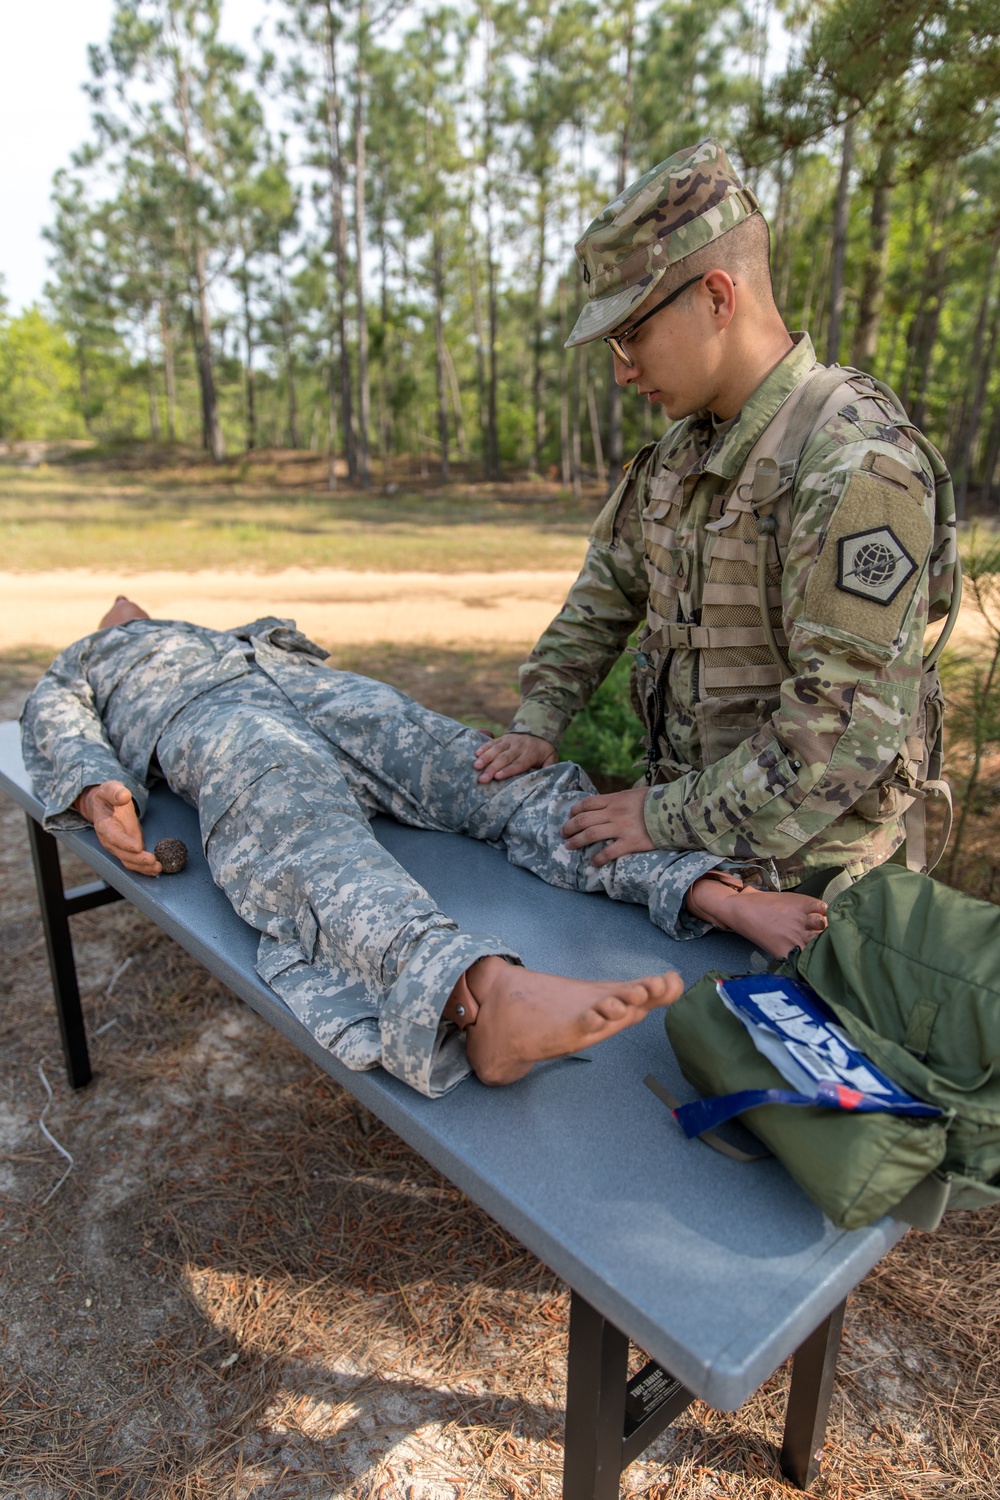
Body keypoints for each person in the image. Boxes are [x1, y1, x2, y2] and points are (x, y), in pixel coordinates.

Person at [21, 598, 828, 1098]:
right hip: (223, 726)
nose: (126, 606)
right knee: (303, 840)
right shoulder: (89, 659)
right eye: (116, 609)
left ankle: (711, 891)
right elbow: (54, 718)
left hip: (328, 697)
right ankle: (480, 995)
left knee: (483, 771)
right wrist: (100, 786)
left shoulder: (221, 628)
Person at [474, 138, 947, 895]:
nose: (622, 370)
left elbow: (845, 729)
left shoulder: (855, 465)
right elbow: (604, 597)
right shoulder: (678, 457)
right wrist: (541, 715)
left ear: (718, 298)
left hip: (816, 891)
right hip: (695, 861)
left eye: (631, 334)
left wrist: (661, 819)